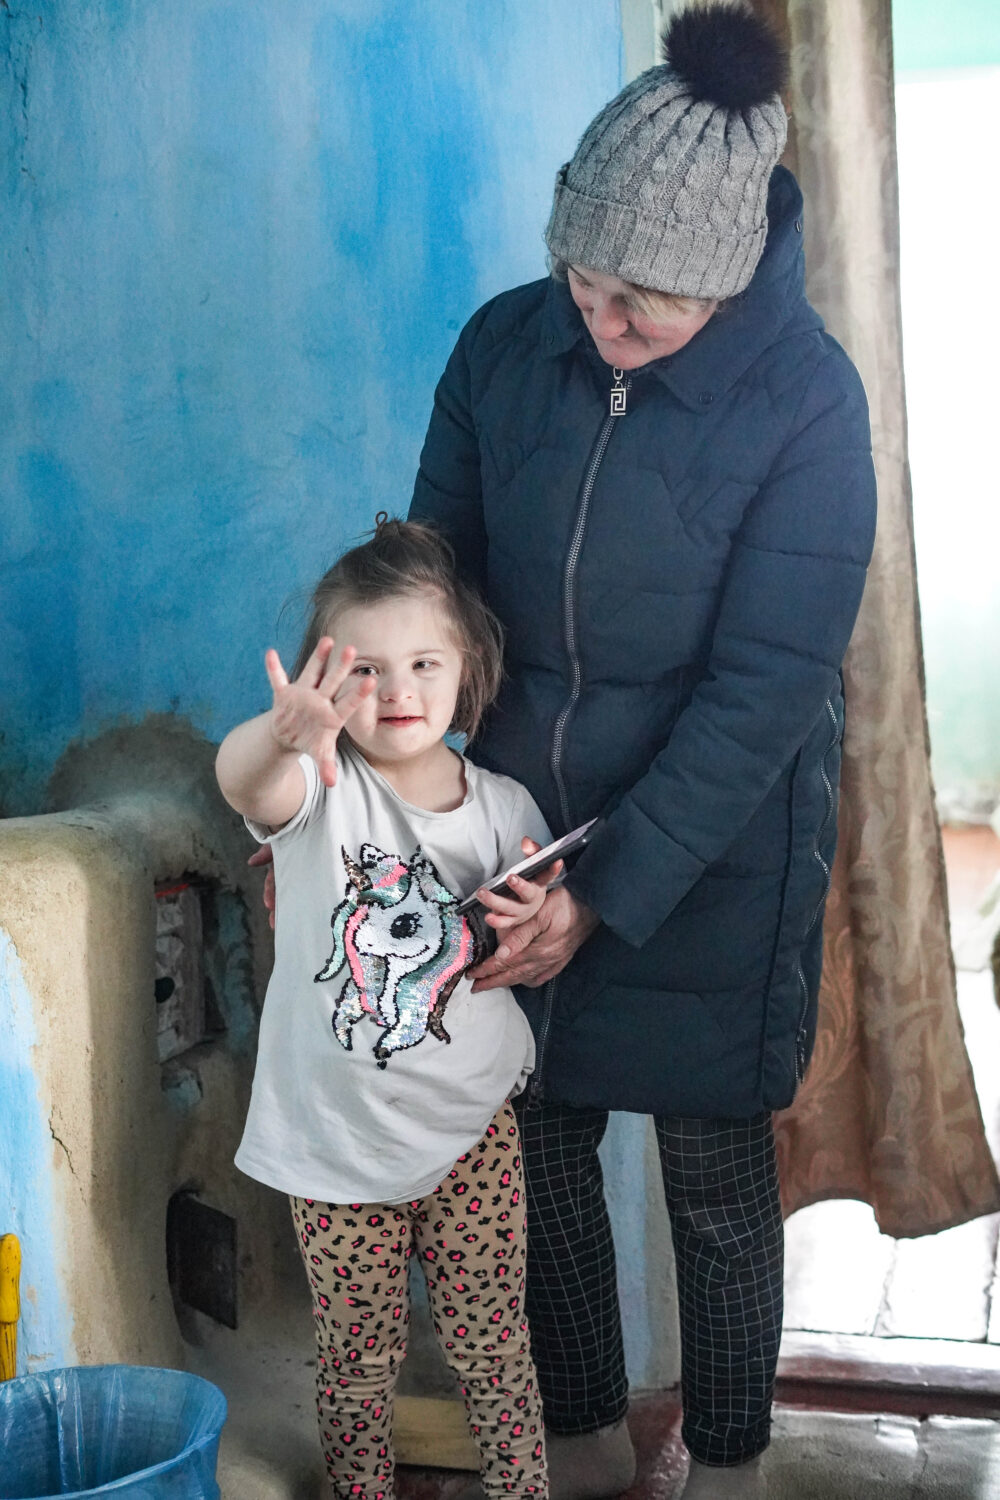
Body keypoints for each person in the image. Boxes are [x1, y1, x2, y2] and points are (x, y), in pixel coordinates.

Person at [408, 5, 878, 1498]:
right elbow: (438, 579)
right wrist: (395, 786)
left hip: (714, 843)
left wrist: (601, 898)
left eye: (642, 309)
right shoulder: (505, 344)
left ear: (729, 281)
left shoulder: (810, 404)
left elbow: (767, 687)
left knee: (716, 1179)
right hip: (515, 824)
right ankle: (592, 1451)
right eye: (582, 280)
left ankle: (730, 1468)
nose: (597, 326)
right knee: (537, 1150)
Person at [217, 518, 564, 1500]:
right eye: (365, 670)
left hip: (471, 1134)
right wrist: (278, 738)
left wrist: (533, 918)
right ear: (329, 688)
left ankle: (521, 1490)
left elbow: (530, 948)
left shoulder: (503, 807)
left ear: (469, 671)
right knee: (354, 1362)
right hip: (332, 1145)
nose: (398, 690)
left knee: (494, 1347)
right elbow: (246, 783)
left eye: (423, 661)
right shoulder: (320, 786)